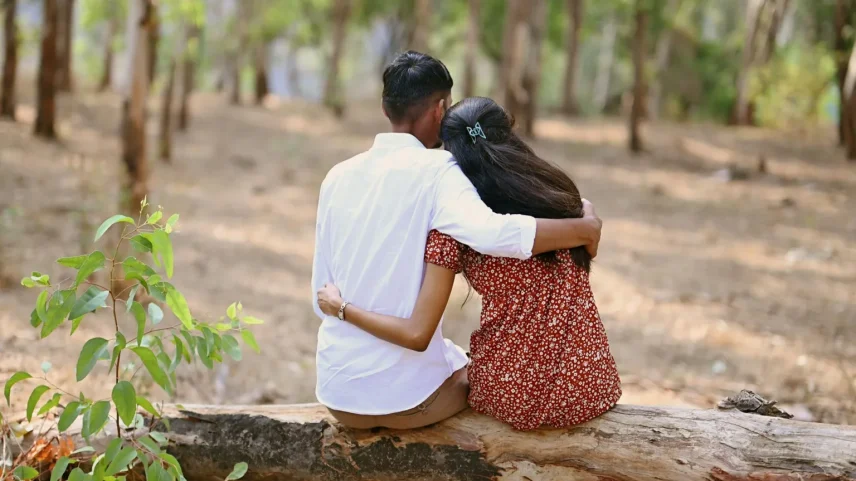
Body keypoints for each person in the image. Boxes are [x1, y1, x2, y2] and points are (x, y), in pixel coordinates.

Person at [311, 51, 603, 430]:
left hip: (336, 394)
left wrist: (342, 308)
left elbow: (321, 298)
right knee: (477, 376)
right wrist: (584, 228)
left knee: (461, 360)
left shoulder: (336, 176)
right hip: (407, 402)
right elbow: (492, 232)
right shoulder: (441, 171)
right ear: (441, 109)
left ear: (385, 108)